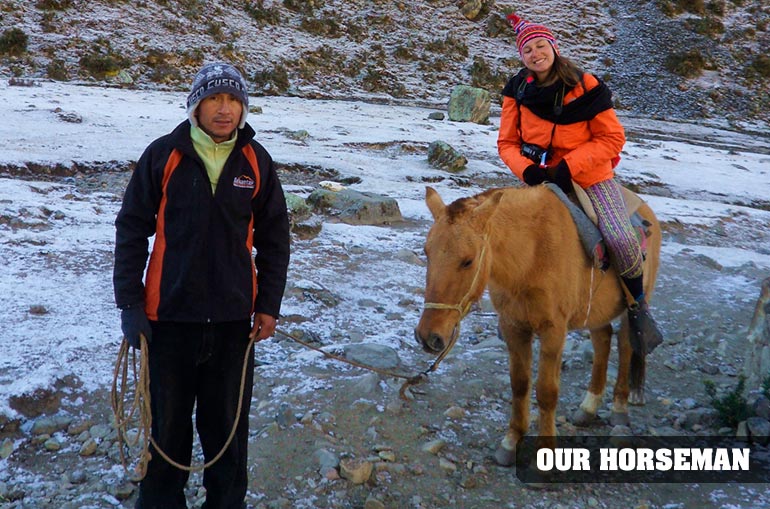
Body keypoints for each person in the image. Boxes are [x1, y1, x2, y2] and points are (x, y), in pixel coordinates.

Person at [113, 61, 290, 509]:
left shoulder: (255, 161)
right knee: (167, 431)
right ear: (196, 105)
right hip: (169, 319)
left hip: (234, 323)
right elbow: (132, 228)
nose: (224, 108)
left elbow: (274, 238)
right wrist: (129, 305)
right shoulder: (164, 155)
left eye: (233, 100)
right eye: (214, 98)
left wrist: (268, 304)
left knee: (227, 432)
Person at [497, 14, 663, 355]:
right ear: (521, 57)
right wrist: (526, 170)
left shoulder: (586, 86)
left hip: (590, 177)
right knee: (507, 239)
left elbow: (612, 137)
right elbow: (507, 143)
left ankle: (638, 307)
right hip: (539, 178)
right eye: (527, 49)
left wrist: (569, 166)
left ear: (554, 47)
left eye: (541, 45)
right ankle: (514, 312)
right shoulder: (517, 90)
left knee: (620, 237)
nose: (535, 53)